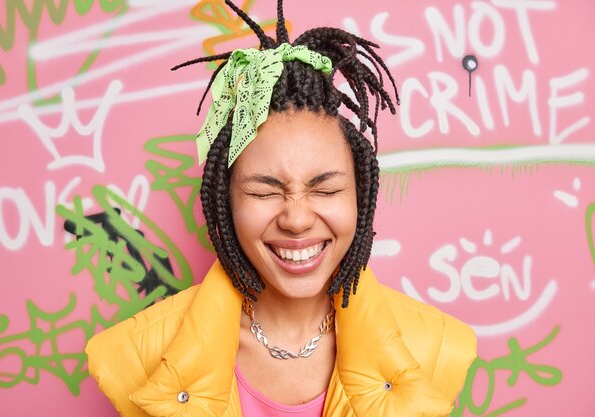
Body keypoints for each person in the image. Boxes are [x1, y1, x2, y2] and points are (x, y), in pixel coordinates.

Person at [85, 1, 477, 416]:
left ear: (359, 197)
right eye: (264, 192)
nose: (296, 219)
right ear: (225, 202)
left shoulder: (437, 349)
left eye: (325, 190)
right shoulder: (134, 356)